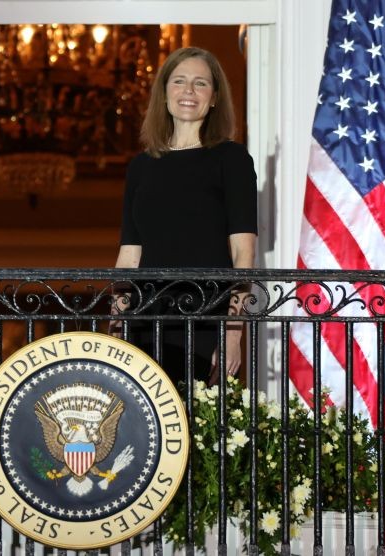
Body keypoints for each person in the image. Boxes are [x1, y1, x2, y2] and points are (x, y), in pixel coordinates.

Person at [112, 46, 257, 386]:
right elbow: (129, 255)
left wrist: (233, 333)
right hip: (144, 321)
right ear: (164, 94)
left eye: (200, 83)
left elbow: (244, 254)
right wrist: (116, 322)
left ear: (215, 97)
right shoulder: (141, 166)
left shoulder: (232, 160)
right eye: (179, 81)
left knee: (197, 430)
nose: (189, 91)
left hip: (205, 320)